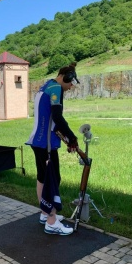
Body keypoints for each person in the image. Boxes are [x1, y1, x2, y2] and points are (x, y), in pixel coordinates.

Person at [26, 62, 80, 235]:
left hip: (38, 142)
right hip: (46, 144)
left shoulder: (46, 86)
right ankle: (51, 221)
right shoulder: (56, 88)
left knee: (43, 178)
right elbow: (57, 116)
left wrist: (65, 137)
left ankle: (45, 213)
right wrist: (72, 137)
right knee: (53, 180)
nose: (71, 87)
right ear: (66, 77)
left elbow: (50, 120)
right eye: (71, 82)